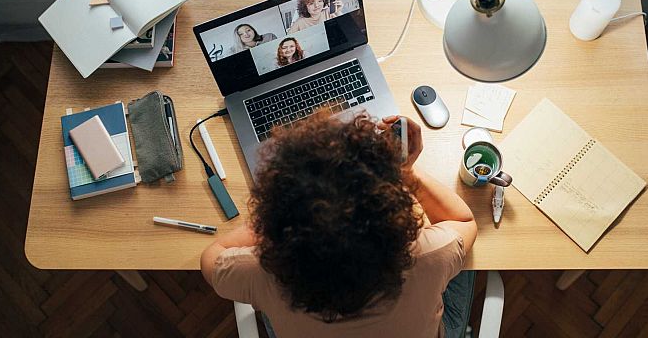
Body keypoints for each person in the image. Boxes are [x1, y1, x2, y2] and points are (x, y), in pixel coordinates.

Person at [201, 112, 478, 338]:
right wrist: (405, 171)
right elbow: (462, 220)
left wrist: (276, 217)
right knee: (467, 260)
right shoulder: (428, 255)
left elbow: (211, 256)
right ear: (391, 215)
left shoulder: (262, 273)